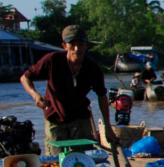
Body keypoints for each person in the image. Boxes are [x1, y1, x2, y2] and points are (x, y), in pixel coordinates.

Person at [20, 25, 115, 155]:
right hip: (54, 118)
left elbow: (102, 95)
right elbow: (25, 78)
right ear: (64, 46)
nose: (77, 49)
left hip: (80, 118)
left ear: (86, 45)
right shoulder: (51, 60)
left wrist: (108, 127)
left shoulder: (92, 68)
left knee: (83, 159)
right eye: (72, 45)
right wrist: (35, 95)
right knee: (55, 159)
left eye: (81, 44)